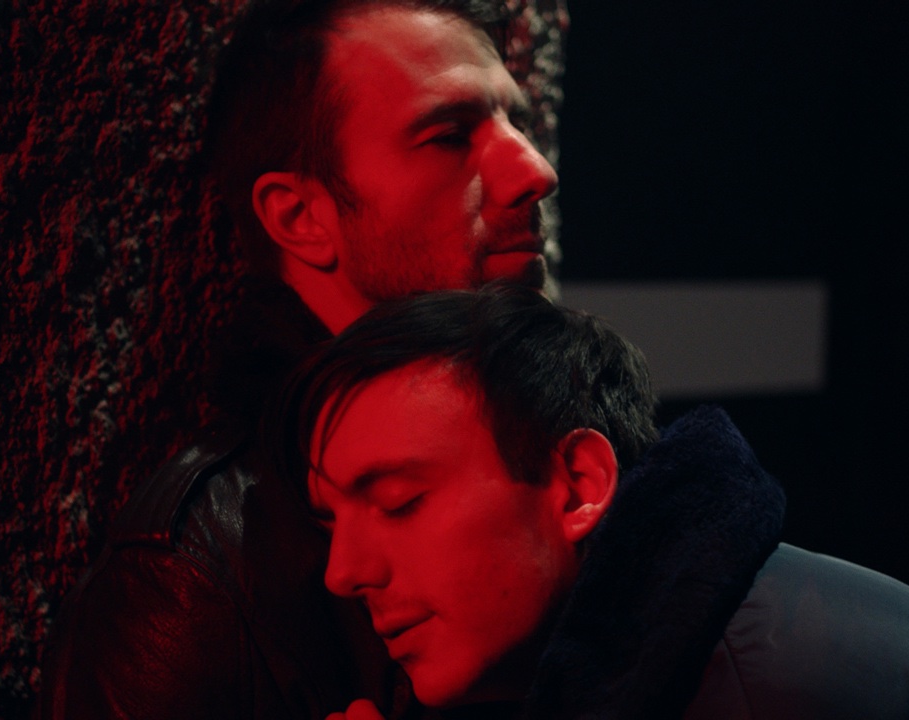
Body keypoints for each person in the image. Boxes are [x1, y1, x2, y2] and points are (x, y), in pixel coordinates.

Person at [37, 1, 558, 718]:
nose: (534, 170)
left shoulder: (562, 441)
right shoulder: (194, 580)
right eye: (447, 137)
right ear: (299, 217)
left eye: (517, 123)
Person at [282, 285, 909, 720]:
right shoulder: (636, 656)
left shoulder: (780, 688)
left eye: (398, 502)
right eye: (332, 521)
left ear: (578, 487)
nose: (343, 572)